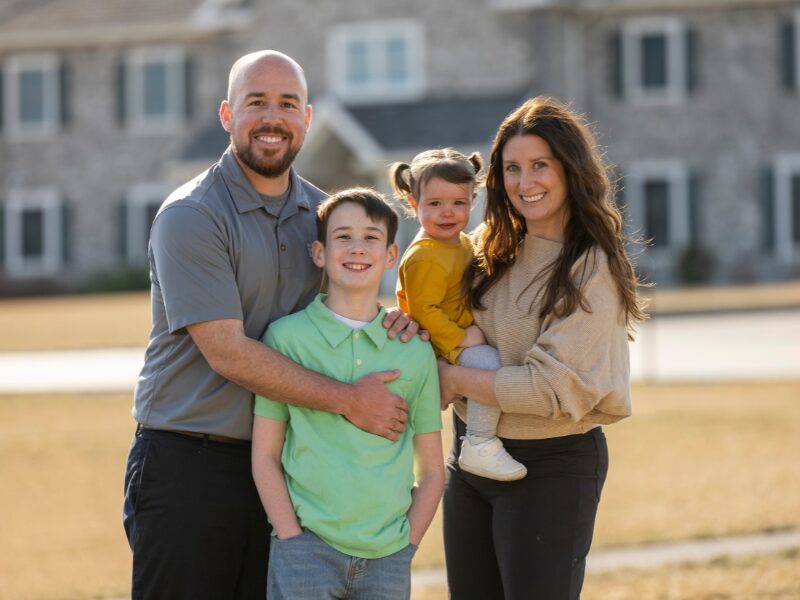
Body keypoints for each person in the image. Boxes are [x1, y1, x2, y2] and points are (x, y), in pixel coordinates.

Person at [122, 50, 420, 599]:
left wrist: (394, 320)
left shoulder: (326, 217)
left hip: (291, 471)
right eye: (255, 102)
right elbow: (227, 353)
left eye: (287, 104)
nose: (272, 118)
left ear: (306, 118)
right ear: (227, 115)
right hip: (190, 465)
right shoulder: (192, 216)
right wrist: (348, 400)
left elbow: (351, 306)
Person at [437, 96, 647, 599]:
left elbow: (550, 388)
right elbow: (445, 323)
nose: (524, 182)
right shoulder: (488, 248)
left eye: (539, 166)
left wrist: (454, 380)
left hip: (551, 468)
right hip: (469, 460)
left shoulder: (590, 267)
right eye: (512, 168)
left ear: (569, 169)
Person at [252, 188, 444, 599]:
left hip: (388, 556)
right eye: (343, 237)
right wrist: (291, 537)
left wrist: (406, 544)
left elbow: (431, 470)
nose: (357, 248)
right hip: (306, 552)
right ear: (319, 252)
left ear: (391, 255)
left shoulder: (414, 351)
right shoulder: (286, 340)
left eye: (371, 238)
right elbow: (265, 456)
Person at [392, 149, 526, 482]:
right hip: (438, 346)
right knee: (489, 367)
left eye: (458, 203)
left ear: (473, 198)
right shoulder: (424, 256)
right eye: (434, 204)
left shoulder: (462, 243)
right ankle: (479, 442)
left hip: (455, 340)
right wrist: (460, 340)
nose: (447, 213)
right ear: (413, 204)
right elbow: (424, 311)